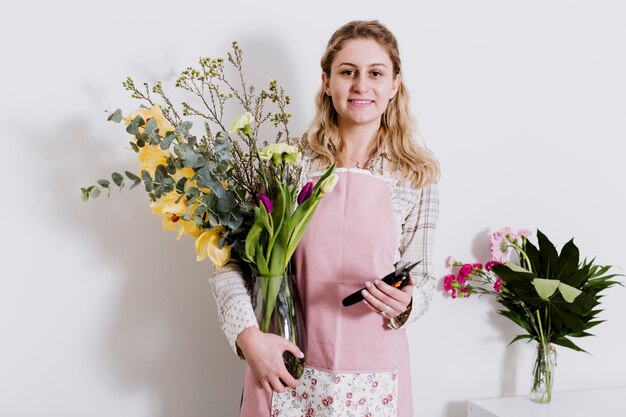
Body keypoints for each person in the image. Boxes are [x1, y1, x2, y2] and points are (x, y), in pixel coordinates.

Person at [210, 20, 440, 417]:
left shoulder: (417, 175)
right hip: (285, 364)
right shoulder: (286, 164)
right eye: (348, 72)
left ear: (394, 84)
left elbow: (423, 276)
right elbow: (230, 263)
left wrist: (407, 301)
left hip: (375, 375)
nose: (361, 85)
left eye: (375, 73)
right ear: (327, 81)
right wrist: (248, 338)